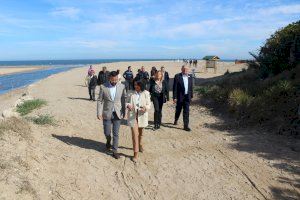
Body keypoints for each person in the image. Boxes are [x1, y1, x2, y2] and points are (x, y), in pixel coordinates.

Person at [97, 71, 127, 159]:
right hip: (107, 113)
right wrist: (99, 113)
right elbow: (99, 100)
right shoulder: (103, 87)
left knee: (116, 133)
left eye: (116, 80)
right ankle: (108, 140)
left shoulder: (122, 86)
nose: (114, 82)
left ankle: (114, 151)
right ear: (109, 78)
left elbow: (123, 99)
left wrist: (124, 112)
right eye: (113, 80)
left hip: (117, 113)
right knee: (107, 132)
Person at [127, 80, 151, 162]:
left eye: (137, 85)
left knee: (141, 134)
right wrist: (128, 105)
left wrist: (146, 108)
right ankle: (135, 153)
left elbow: (149, 104)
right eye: (134, 84)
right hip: (132, 116)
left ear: (141, 85)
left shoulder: (146, 93)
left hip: (142, 116)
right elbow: (126, 102)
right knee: (134, 135)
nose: (135, 86)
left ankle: (140, 144)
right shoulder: (130, 92)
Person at [173, 65, 193, 131]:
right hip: (180, 96)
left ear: (188, 70)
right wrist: (175, 97)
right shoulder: (177, 76)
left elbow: (191, 87)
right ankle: (176, 119)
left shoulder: (190, 76)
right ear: (181, 69)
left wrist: (191, 96)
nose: (185, 70)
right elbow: (175, 87)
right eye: (184, 69)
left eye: (186, 69)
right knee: (178, 110)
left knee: (186, 111)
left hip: (187, 97)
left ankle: (186, 126)